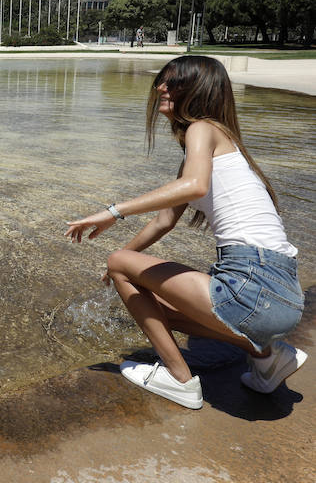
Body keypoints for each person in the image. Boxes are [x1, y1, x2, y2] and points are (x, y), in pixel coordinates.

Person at [65, 56, 305, 409]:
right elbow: (164, 221)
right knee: (160, 306)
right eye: (162, 81)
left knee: (120, 262)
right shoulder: (220, 144)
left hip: (252, 284)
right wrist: (117, 270)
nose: (160, 87)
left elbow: (193, 186)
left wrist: (114, 213)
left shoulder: (202, 129)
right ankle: (268, 357)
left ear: (199, 91)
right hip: (283, 294)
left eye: (172, 83)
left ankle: (180, 380)